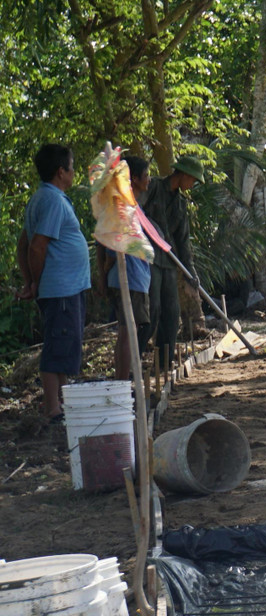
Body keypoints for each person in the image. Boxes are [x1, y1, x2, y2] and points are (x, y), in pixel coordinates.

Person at [18, 144, 92, 423]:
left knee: (66, 345)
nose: (74, 173)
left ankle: (64, 403)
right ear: (61, 171)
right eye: (72, 168)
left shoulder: (43, 198)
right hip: (61, 288)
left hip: (64, 288)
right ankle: (53, 409)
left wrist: (29, 282)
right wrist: (36, 281)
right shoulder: (51, 201)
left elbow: (23, 243)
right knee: (57, 346)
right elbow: (36, 247)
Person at [143, 154, 204, 370]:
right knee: (153, 310)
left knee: (172, 312)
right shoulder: (153, 188)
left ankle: (164, 364)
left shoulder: (180, 204)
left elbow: (183, 242)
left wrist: (191, 274)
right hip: (147, 258)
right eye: (193, 180)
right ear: (184, 175)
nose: (192, 185)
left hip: (169, 262)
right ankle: (136, 356)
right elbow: (136, 214)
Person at [98, 156, 153, 379]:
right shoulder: (122, 208)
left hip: (134, 277)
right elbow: (111, 248)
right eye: (146, 175)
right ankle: (121, 380)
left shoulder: (131, 206)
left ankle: (123, 377)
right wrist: (104, 274)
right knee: (128, 331)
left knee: (128, 330)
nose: (149, 180)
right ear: (135, 179)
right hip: (128, 278)